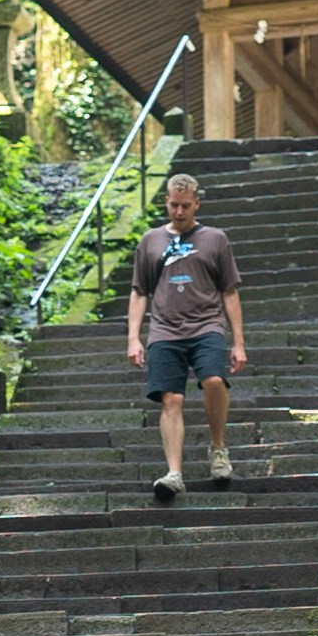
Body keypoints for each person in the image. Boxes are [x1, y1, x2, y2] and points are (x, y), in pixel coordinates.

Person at [124, 170, 247, 499]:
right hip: (164, 329)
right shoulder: (150, 240)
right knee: (171, 398)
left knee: (214, 381)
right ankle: (174, 473)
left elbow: (229, 291)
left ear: (197, 204)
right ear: (166, 202)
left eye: (185, 206)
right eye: (173, 205)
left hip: (206, 324)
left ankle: (218, 449)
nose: (179, 212)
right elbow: (139, 291)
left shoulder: (215, 239)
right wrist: (133, 338)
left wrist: (238, 342)